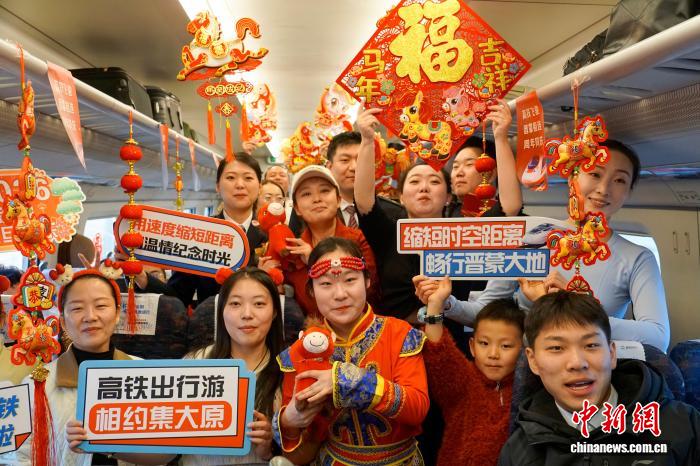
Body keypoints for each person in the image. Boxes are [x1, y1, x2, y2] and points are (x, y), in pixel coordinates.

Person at [419, 140, 671, 351]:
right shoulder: (531, 238)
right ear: (573, 177)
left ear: (629, 191)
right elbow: (486, 310)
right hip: (524, 366)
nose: (604, 189)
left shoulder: (637, 257)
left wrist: (575, 307)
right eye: (595, 174)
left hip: (587, 369)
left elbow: (657, 336)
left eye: (620, 181)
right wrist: (447, 302)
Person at [353, 101, 521, 323]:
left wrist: (500, 138)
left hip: (454, 337)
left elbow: (510, 206)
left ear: (448, 197)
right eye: (415, 181)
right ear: (401, 196)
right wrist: (367, 140)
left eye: (434, 181)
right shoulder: (389, 233)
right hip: (398, 337)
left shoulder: (464, 234)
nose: (424, 188)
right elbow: (364, 201)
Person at [273, 237, 429, 465]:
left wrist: (346, 380)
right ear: (311, 291)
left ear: (367, 281)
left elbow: (417, 408)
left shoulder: (399, 333)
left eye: (349, 280)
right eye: (326, 284)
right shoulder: (302, 350)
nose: (340, 294)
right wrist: (288, 422)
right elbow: (296, 453)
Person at [499, 291, 700, 466]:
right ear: (533, 361)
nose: (577, 363)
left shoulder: (684, 426)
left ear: (612, 354)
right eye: (557, 348)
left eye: (591, 345)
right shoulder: (518, 452)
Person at [10, 268, 151, 466]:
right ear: (62, 322)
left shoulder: (145, 374)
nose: (90, 316)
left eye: (101, 306)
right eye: (77, 308)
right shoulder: (36, 384)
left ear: (117, 314)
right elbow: (18, 457)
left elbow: (162, 452)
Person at [136, 153, 268, 308]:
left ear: (260, 187)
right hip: (210, 321)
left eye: (248, 178)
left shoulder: (272, 234)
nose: (240, 184)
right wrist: (141, 276)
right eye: (231, 177)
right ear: (217, 186)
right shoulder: (199, 233)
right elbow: (177, 297)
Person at [422, 276, 524, 466]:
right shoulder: (463, 380)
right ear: (472, 346)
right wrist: (435, 304)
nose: (493, 354)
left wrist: (542, 298)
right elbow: (438, 353)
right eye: (484, 343)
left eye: (506, 346)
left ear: (524, 350)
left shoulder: (528, 386)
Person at [282, 165, 379, 317]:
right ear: (297, 208)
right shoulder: (292, 252)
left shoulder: (358, 239)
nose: (317, 199)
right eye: (306, 194)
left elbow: (370, 289)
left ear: (338, 200)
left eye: (325, 191)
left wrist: (315, 262)